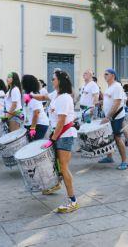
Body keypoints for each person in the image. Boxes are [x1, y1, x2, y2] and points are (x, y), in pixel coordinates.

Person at [42, 70, 79, 212]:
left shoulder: (64, 98)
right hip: (59, 134)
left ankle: (72, 200)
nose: (52, 81)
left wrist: (52, 138)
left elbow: (61, 121)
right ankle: (56, 184)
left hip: (65, 135)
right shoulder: (56, 95)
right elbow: (43, 96)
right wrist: (30, 95)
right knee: (58, 164)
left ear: (60, 81)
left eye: (54, 79)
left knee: (64, 167)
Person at [98, 68, 128, 170]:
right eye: (104, 74)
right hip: (110, 116)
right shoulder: (110, 87)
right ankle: (109, 157)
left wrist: (108, 116)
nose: (104, 76)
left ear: (113, 75)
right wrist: (100, 103)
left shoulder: (117, 86)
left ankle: (125, 161)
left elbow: (116, 103)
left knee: (117, 138)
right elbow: (109, 100)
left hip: (116, 116)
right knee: (109, 137)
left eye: (106, 74)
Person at [22, 75, 49, 141]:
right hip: (32, 124)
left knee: (34, 146)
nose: (21, 84)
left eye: (22, 82)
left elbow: (36, 113)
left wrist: (33, 128)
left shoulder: (33, 95)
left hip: (39, 124)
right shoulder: (27, 95)